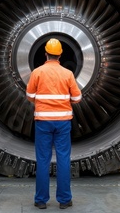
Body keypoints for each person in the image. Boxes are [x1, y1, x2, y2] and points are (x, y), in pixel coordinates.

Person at [26, 38, 82, 210]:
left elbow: (29, 95)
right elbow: (77, 98)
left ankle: (41, 200)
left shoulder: (37, 72)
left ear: (45, 54)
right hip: (63, 122)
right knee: (63, 159)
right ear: (60, 55)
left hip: (43, 122)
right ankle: (64, 200)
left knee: (43, 160)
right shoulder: (68, 74)